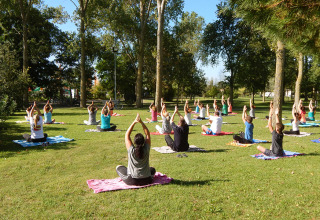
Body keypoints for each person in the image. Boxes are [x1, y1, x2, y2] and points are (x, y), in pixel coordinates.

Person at [116, 113, 156, 186]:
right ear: (143, 141)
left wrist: (134, 122)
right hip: (147, 180)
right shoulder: (146, 149)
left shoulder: (131, 150)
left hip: (132, 180)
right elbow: (147, 134)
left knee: (118, 167)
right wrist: (141, 122)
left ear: (134, 142)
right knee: (152, 169)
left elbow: (127, 135)